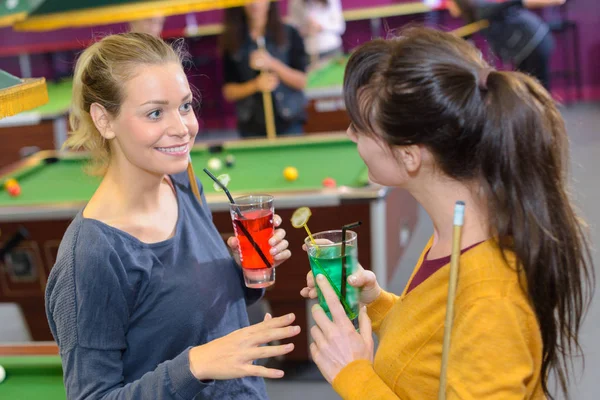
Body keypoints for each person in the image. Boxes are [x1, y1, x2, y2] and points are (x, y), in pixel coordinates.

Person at [300, 27, 593, 399]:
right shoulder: (456, 229)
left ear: (409, 155)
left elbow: (473, 320)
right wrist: (376, 303)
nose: (349, 134)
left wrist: (354, 374)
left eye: (359, 127)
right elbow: (434, 349)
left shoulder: (492, 299)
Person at [45, 32, 300, 399]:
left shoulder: (181, 177)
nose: (182, 128)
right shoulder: (91, 256)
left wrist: (248, 268)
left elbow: (198, 306)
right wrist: (195, 365)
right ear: (104, 120)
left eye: (185, 106)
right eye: (154, 112)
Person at [220, 0, 308, 138]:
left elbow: (302, 81)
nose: (254, 3)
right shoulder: (232, 40)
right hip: (251, 128)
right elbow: (229, 92)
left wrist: (272, 63)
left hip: (290, 124)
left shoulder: (290, 33)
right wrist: (256, 85)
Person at [447, 0, 567, 90]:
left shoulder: (481, 10)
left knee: (538, 87)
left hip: (535, 40)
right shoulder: (475, 15)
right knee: (527, 87)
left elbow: (512, 4)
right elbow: (467, 35)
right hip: (526, 46)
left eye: (450, 2)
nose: (448, 6)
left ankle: (547, 120)